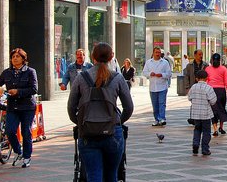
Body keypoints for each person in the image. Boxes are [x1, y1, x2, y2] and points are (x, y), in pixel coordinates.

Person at [67, 42, 133, 181]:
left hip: (88, 133)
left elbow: (71, 108)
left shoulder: (81, 77)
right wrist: (117, 122)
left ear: (92, 57)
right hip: (113, 132)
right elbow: (128, 107)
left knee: (93, 175)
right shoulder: (118, 78)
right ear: (111, 58)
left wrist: (81, 122)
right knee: (111, 175)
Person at [0, 48, 37, 168]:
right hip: (13, 106)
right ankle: (18, 151)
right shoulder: (7, 72)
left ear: (23, 59)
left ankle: (27, 157)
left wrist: (18, 91)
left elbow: (34, 89)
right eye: (13, 57)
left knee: (26, 132)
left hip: (27, 107)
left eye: (17, 56)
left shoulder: (30, 72)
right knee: (9, 131)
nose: (15, 58)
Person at [188, 69, 217, 156]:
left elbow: (189, 97)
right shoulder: (209, 88)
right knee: (206, 132)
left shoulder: (193, 87)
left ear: (197, 79)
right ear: (206, 78)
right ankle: (205, 149)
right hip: (206, 114)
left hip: (195, 114)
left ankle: (195, 144)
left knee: (197, 130)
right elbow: (213, 101)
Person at [142, 46, 172, 126]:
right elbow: (144, 72)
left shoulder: (165, 62)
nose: (158, 54)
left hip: (162, 86)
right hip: (153, 87)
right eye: (156, 52)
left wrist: (162, 75)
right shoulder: (148, 62)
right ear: (153, 53)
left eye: (159, 53)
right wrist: (149, 74)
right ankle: (156, 119)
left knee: (162, 103)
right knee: (155, 104)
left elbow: (169, 74)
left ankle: (162, 118)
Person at [206, 53, 227, 136]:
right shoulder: (224, 69)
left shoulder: (207, 69)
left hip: (211, 91)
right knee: (221, 108)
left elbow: (206, 82)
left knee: (213, 110)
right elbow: (226, 82)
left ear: (212, 60)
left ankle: (215, 129)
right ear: (220, 60)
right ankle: (221, 127)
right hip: (221, 91)